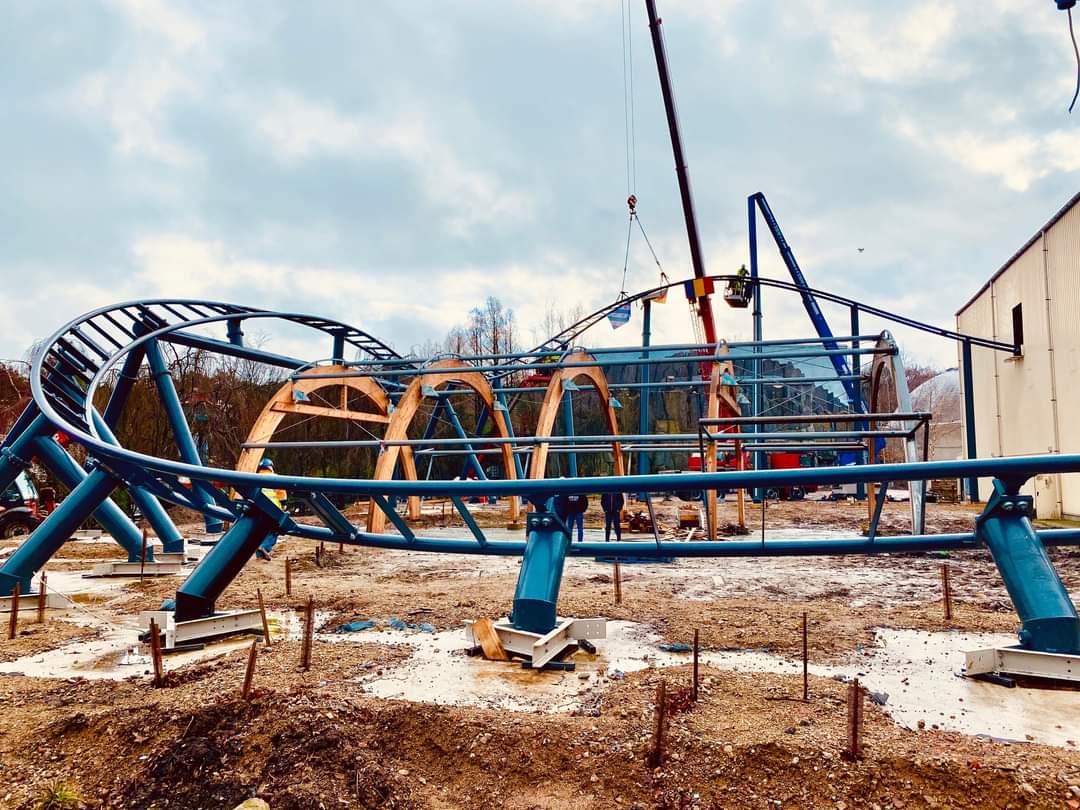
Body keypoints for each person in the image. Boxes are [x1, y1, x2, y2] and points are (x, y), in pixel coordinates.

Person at [254, 458, 286, 560]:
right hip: (272, 509)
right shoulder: (275, 477)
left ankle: (259, 555)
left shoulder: (254, 477)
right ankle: (265, 547)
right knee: (275, 529)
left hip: (257, 509)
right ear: (270, 467)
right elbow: (282, 494)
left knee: (260, 531)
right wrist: (284, 505)